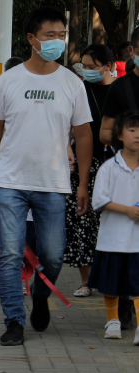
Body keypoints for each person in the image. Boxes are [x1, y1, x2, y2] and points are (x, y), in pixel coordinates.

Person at [0, 7, 94, 346]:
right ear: (31, 39)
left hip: (53, 183)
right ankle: (14, 321)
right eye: (50, 35)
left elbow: (84, 135)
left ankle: (42, 294)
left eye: (61, 35)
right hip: (10, 183)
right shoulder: (10, 81)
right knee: (12, 253)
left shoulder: (72, 84)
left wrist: (84, 183)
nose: (57, 41)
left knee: (53, 254)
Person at [64, 44, 116, 298]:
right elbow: (65, 125)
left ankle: (113, 278)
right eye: (83, 66)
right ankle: (86, 280)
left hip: (118, 164)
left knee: (113, 222)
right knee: (83, 220)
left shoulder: (120, 90)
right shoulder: (79, 89)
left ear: (108, 66)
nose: (87, 71)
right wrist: (67, 146)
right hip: (87, 164)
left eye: (92, 67)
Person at [87, 109, 139, 341]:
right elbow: (99, 200)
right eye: (132, 130)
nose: (137, 135)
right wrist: (127, 210)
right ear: (119, 134)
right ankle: (112, 322)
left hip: (136, 241)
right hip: (112, 239)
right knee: (111, 284)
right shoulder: (108, 167)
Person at [100, 28, 139, 146]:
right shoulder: (119, 87)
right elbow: (104, 132)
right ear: (131, 50)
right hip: (129, 162)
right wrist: (128, 138)